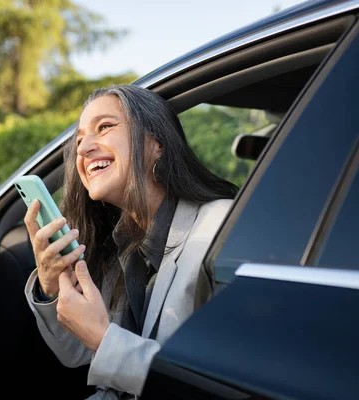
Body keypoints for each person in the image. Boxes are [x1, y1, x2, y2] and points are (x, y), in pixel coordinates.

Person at [23, 84, 238, 399]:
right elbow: (76, 356)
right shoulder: (119, 240)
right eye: (80, 139)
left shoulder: (218, 227)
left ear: (157, 142)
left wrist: (102, 338)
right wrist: (53, 288)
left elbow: (220, 387)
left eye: (105, 127)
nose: (82, 149)